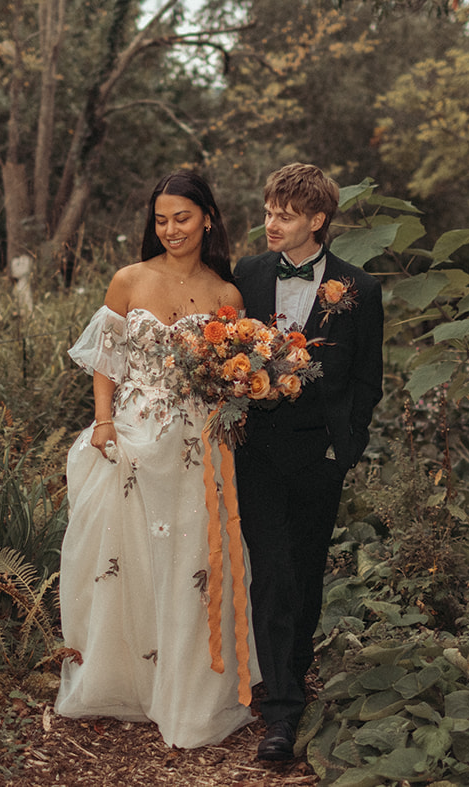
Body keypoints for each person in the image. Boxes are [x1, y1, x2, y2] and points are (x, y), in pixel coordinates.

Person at [57, 170, 258, 748]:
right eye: (161, 219)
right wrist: (101, 422)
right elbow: (106, 360)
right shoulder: (129, 280)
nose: (170, 229)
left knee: (191, 561)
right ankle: (129, 680)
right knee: (129, 558)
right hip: (132, 439)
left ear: (208, 219)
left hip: (199, 447)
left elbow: (230, 379)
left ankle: (187, 689)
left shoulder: (227, 295)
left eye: (183, 218)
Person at [234, 163, 384, 762]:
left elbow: (368, 378)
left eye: (285, 215)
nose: (271, 223)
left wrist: (345, 446)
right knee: (270, 571)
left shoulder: (360, 289)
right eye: (269, 211)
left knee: (304, 570)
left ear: (317, 221)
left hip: (319, 454)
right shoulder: (246, 274)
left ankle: (292, 672)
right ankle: (281, 713)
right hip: (258, 451)